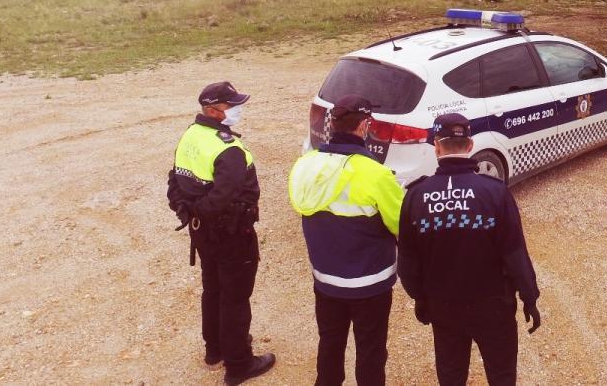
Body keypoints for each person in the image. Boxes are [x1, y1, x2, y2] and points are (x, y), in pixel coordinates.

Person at [397, 113, 542, 386]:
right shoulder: (495, 192)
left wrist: (421, 297)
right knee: (502, 376)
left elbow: (407, 262)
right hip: (494, 307)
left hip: (444, 307)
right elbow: (514, 253)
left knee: (451, 377)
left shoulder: (416, 196)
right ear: (470, 145)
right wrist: (529, 296)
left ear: (437, 146)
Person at [288, 95, 405, 386]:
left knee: (330, 344)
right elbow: (401, 224)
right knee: (371, 350)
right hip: (370, 283)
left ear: (332, 124)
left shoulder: (305, 164)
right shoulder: (375, 174)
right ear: (365, 126)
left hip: (325, 280)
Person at [167, 81, 276, 385]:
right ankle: (239, 364)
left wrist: (188, 211)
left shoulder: (190, 135)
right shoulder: (227, 149)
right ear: (214, 110)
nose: (239, 109)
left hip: (202, 233)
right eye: (233, 105)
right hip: (231, 234)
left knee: (213, 289)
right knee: (235, 297)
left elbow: (174, 179)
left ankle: (214, 349)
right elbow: (223, 196)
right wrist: (201, 211)